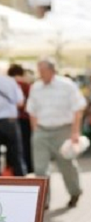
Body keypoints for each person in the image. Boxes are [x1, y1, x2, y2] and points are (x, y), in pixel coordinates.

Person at [26, 59, 87, 208]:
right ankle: (43, 201)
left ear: (51, 70)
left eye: (42, 70)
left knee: (67, 165)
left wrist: (75, 132)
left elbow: (78, 108)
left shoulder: (66, 85)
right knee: (40, 169)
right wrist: (35, 129)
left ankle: (75, 192)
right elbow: (31, 110)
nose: (40, 73)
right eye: (39, 70)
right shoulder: (36, 87)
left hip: (63, 130)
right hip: (41, 130)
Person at [7, 64, 33, 173]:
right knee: (26, 144)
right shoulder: (26, 84)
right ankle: (28, 167)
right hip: (25, 118)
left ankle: (13, 168)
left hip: (11, 119)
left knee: (13, 145)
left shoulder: (7, 84)